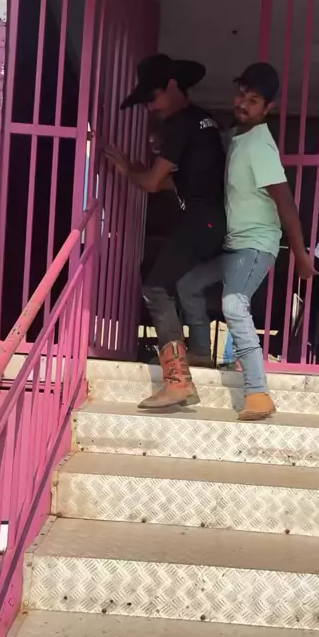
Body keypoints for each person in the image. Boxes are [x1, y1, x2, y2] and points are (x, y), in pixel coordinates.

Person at [177, 62, 316, 421]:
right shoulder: (237, 138)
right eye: (242, 94)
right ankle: (199, 351)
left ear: (267, 108)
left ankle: (258, 393)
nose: (243, 103)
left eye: (253, 100)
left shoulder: (260, 146)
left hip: (255, 245)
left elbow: (285, 202)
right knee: (189, 284)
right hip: (234, 245)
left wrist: (300, 253)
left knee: (234, 305)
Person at [106, 54, 226, 409]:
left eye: (152, 97)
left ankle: (176, 381)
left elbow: (152, 183)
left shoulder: (179, 125)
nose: (149, 107)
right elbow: (177, 181)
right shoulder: (204, 121)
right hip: (212, 221)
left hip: (201, 221)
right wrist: (143, 171)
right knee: (180, 283)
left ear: (172, 85)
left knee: (155, 287)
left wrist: (129, 171)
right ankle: (193, 357)